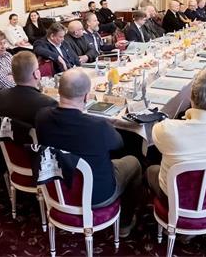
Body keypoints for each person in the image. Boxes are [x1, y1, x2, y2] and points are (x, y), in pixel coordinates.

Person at [36, 69, 142, 236]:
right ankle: (125, 223)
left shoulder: (41, 117)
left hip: (56, 190)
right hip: (98, 196)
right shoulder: (98, 126)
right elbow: (119, 144)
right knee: (134, 162)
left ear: (59, 91)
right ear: (86, 97)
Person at [146, 69, 206, 199]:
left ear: (191, 97)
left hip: (174, 199)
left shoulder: (166, 130)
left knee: (150, 169)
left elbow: (154, 136)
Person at [0, 52, 57, 128]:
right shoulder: (48, 104)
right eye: (38, 68)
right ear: (36, 74)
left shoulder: (2, 95)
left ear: (13, 75)